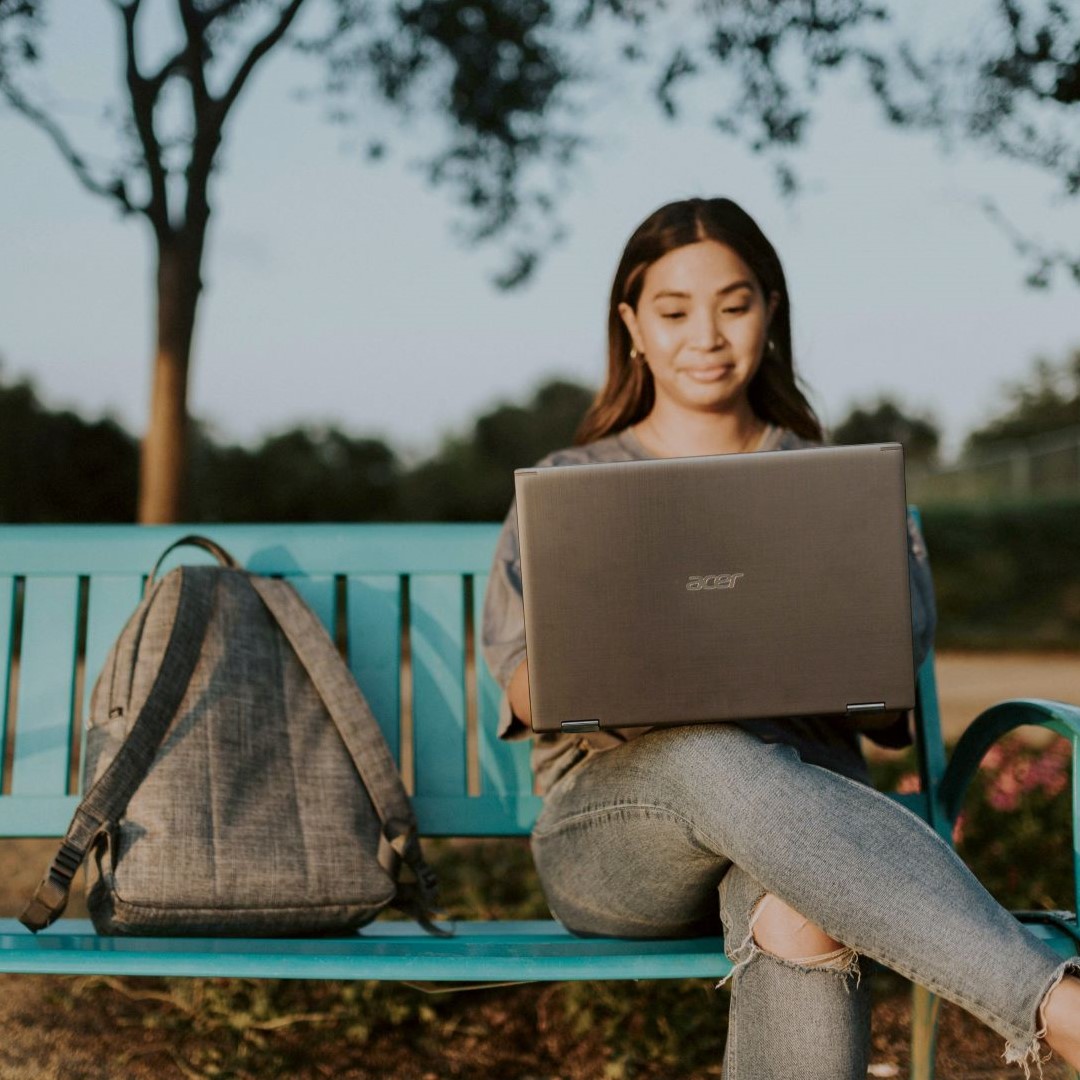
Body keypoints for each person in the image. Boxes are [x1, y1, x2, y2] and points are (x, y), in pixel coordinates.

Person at [479, 196, 1080, 1079]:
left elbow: (887, 715)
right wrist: (637, 672)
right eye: (674, 311)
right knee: (709, 752)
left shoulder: (834, 489)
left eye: (735, 303)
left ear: (771, 311)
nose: (707, 335)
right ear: (632, 327)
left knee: (799, 908)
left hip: (810, 833)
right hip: (615, 838)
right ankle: (1056, 1004)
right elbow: (526, 692)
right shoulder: (573, 488)